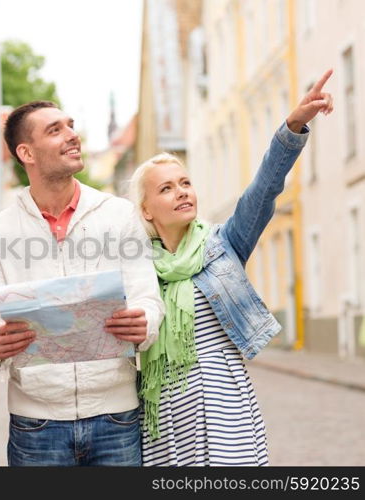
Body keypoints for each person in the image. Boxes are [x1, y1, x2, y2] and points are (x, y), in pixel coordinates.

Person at [129, 70, 334, 466]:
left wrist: (293, 127)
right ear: (146, 210)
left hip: (228, 415)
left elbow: (264, 190)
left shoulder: (224, 245)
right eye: (166, 188)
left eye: (184, 182)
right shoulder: (137, 272)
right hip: (166, 421)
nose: (181, 191)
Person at [0, 101, 165, 466]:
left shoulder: (120, 215)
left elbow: (148, 300)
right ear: (25, 152)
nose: (73, 135)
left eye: (70, 125)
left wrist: (144, 322)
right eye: (55, 130)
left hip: (117, 417)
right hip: (36, 425)